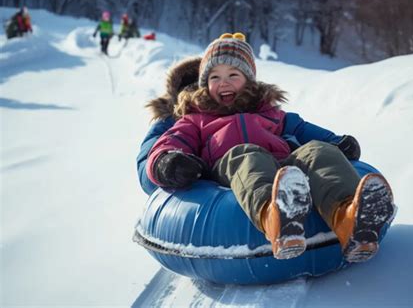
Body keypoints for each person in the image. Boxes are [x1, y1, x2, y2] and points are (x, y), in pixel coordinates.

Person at [138, 32, 395, 262]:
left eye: (233, 75)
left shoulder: (269, 112)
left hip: (284, 168)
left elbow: (302, 129)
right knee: (246, 155)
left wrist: (335, 142)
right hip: (233, 170)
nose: (223, 83)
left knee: (317, 150)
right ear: (205, 84)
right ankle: (275, 219)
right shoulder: (196, 119)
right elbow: (170, 142)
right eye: (214, 77)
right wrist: (166, 161)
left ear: (249, 81)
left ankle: (349, 219)